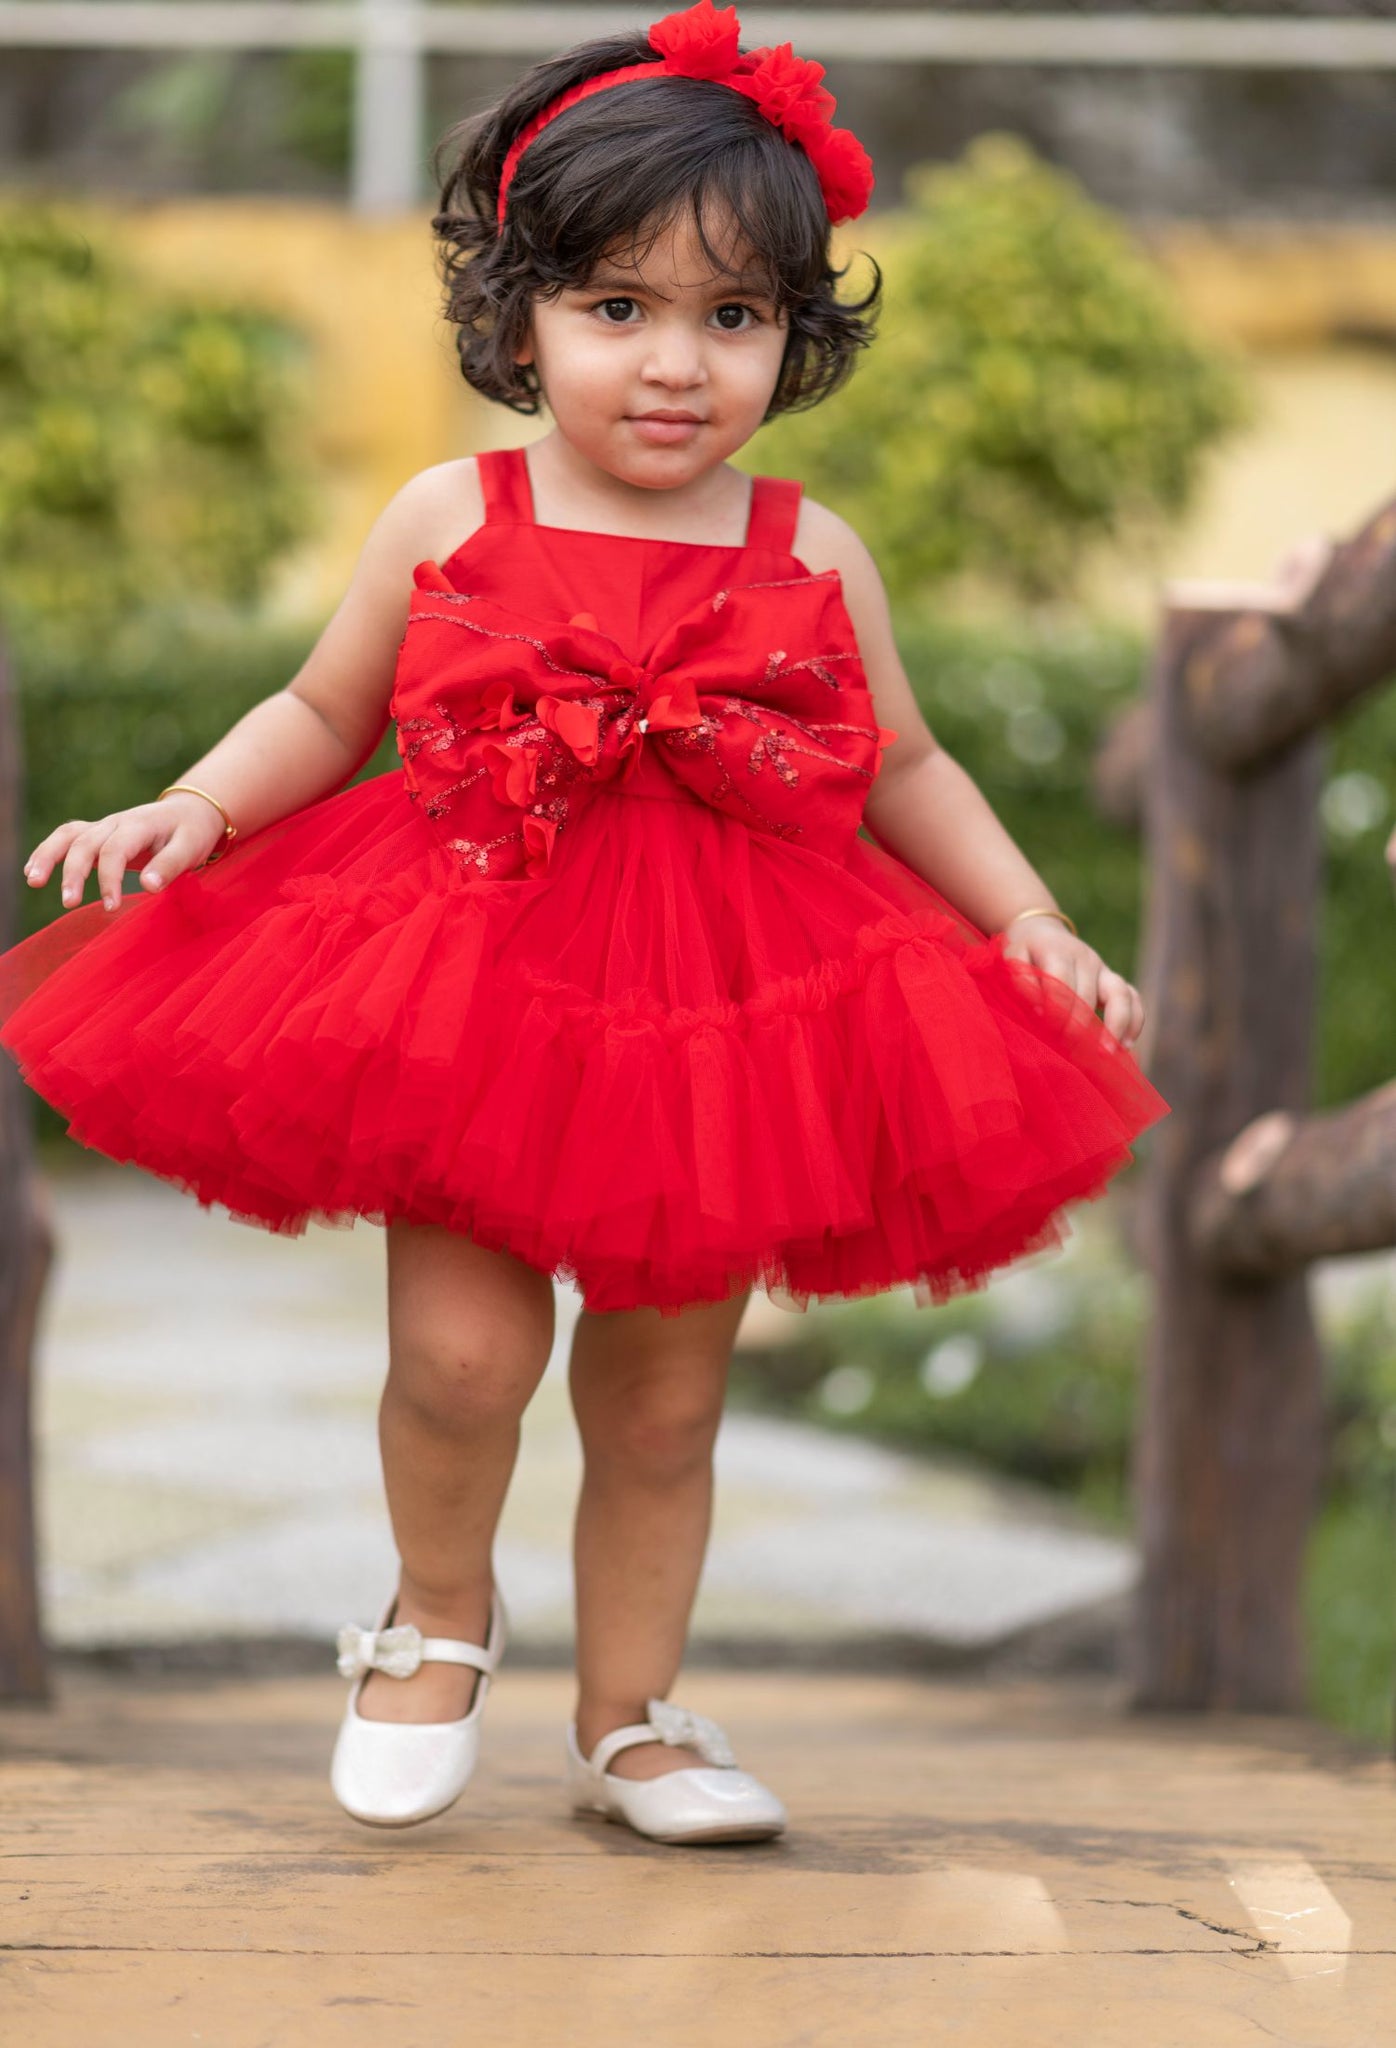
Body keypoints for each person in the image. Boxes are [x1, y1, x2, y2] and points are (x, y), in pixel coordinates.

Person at [0, 1, 1169, 1846]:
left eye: (734, 316)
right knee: (462, 1362)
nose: (676, 364)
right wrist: (196, 806)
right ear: (521, 314)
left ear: (796, 332)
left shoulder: (811, 547)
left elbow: (908, 762)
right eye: (616, 309)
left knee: (661, 1407)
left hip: (725, 1013)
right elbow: (322, 711)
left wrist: (1028, 916)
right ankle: (434, 1614)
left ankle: (633, 1720)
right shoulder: (449, 512)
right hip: (473, 976)